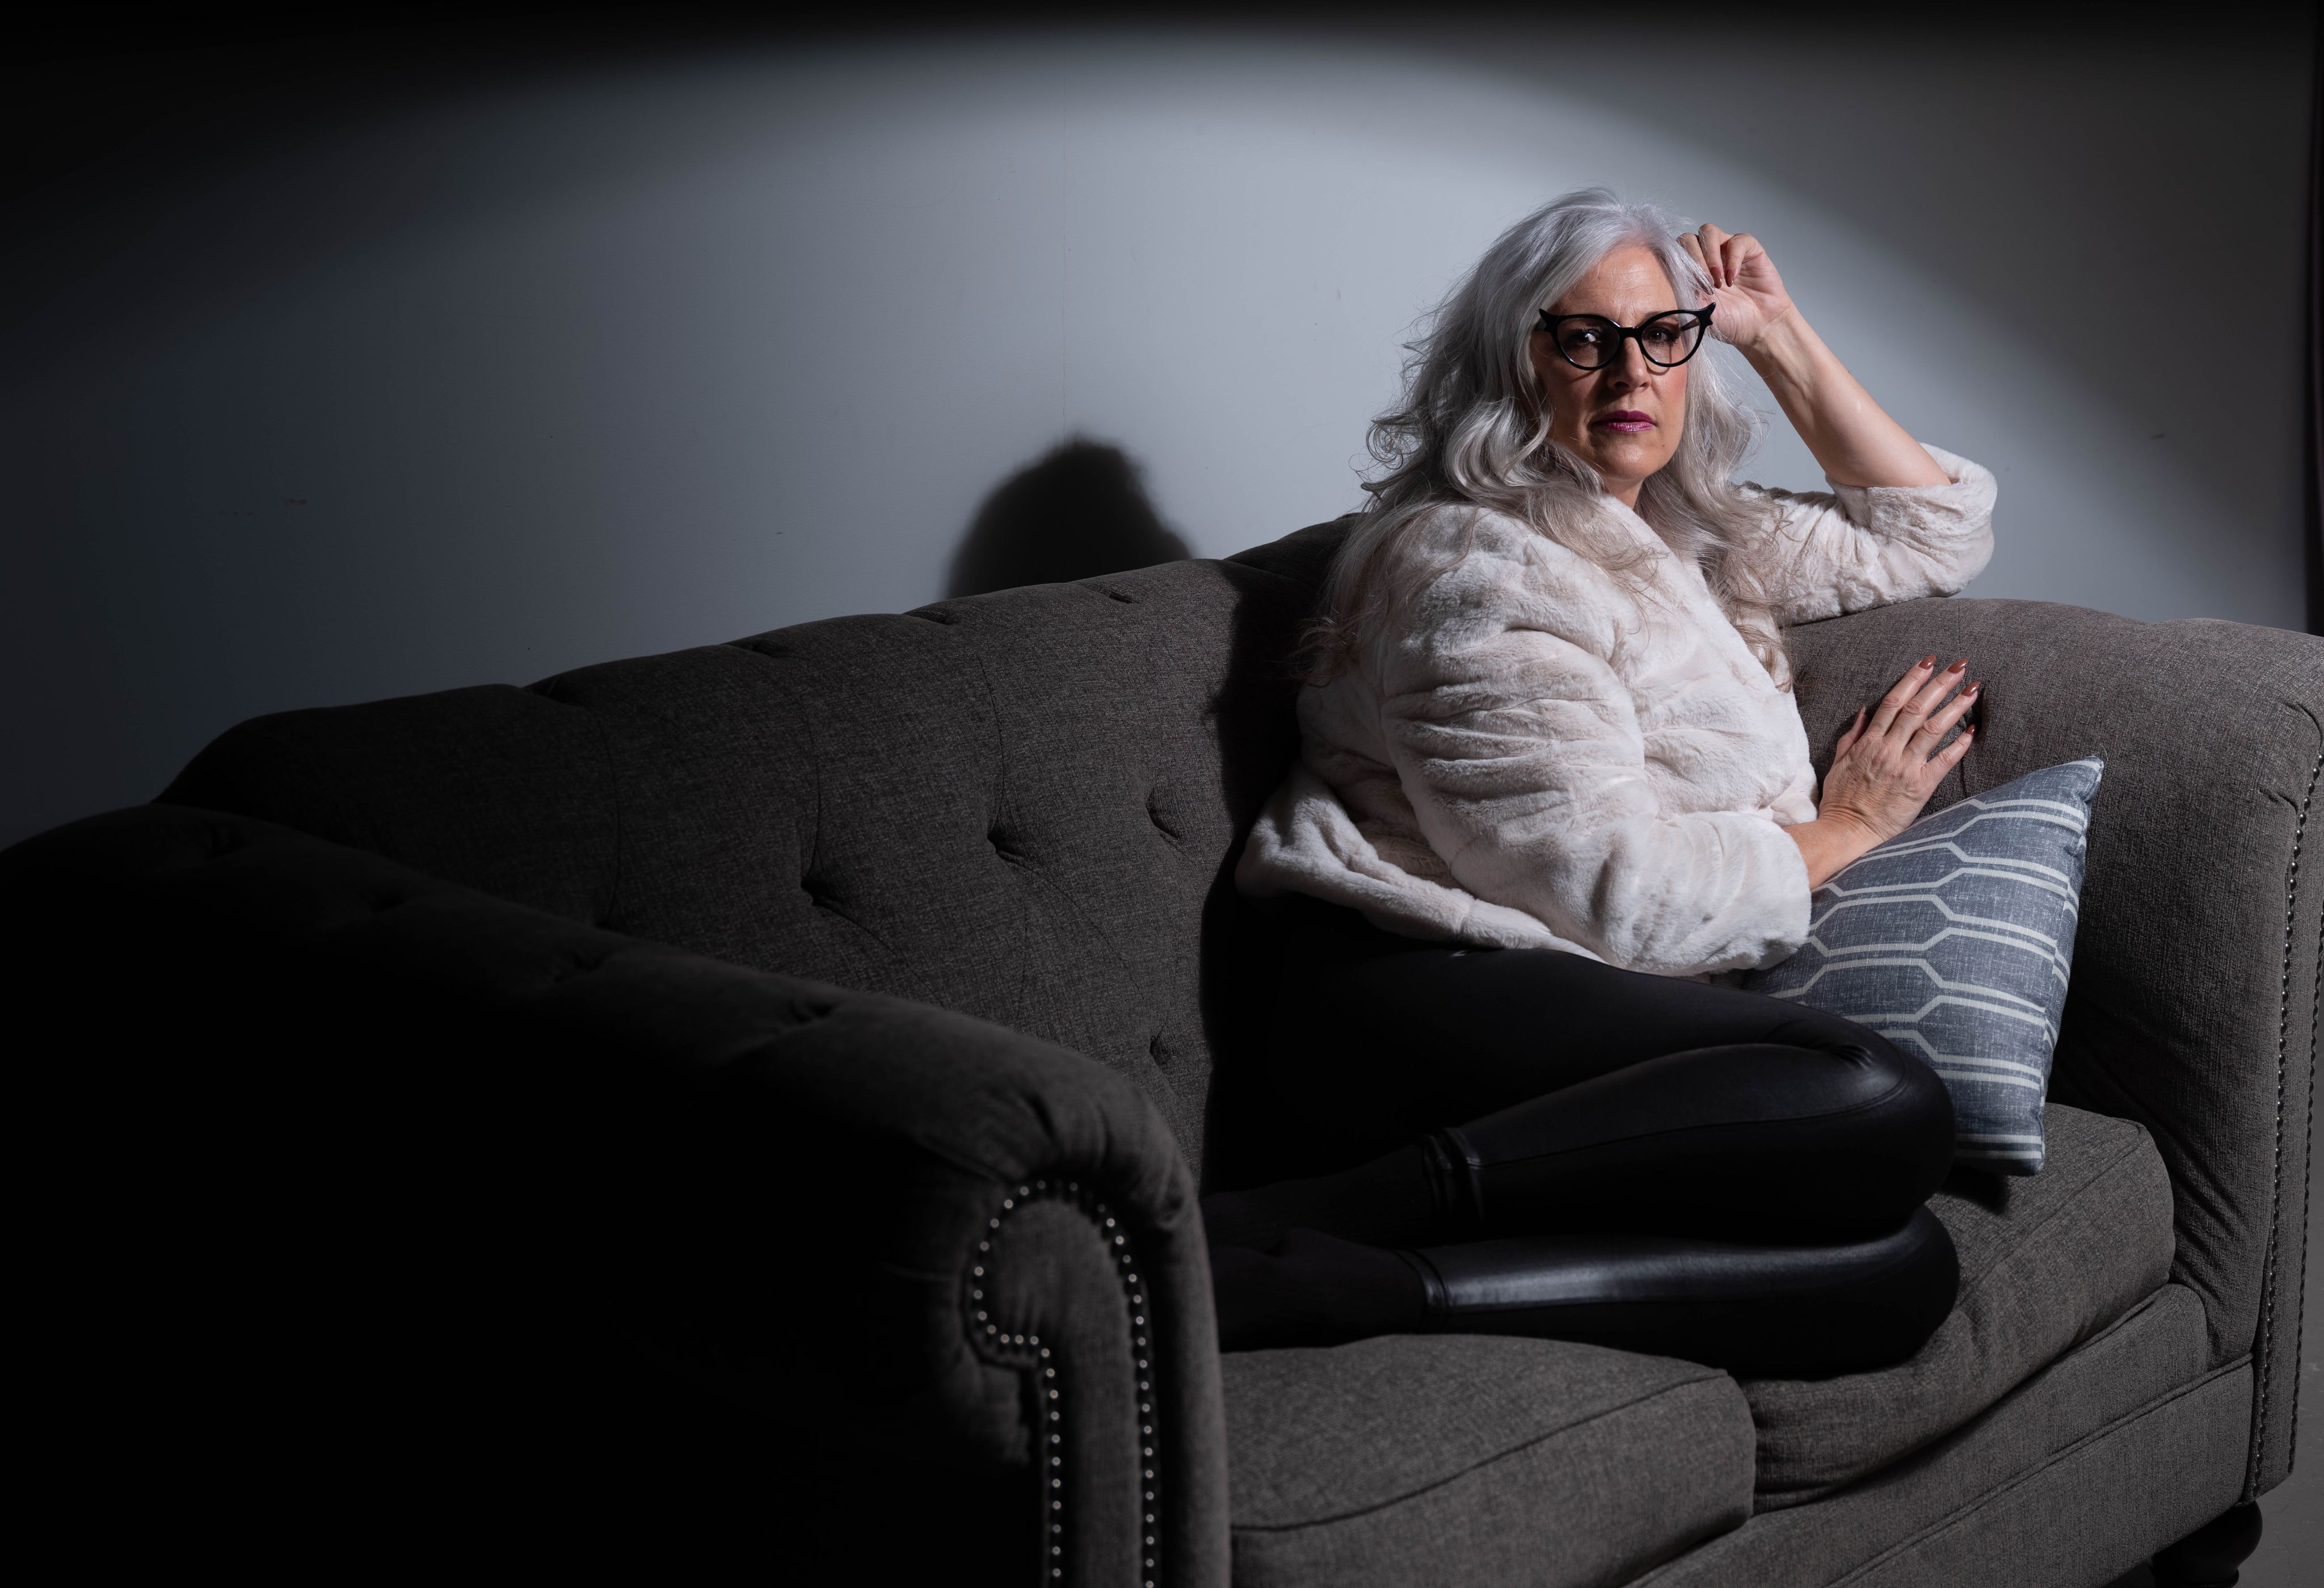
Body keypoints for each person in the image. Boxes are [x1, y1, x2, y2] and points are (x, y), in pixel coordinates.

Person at [1210, 188, 1995, 1378]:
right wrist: (1839, 829)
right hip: (1408, 996)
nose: (1627, 369)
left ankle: (1371, 1285)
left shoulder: (1680, 534)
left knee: (1906, 1270)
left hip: (1559, 994)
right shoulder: (1475, 563)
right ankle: (1303, 1211)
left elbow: (1931, 534)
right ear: (1510, 366)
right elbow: (1611, 891)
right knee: (1874, 1096)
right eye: (1580, 337)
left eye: (1659, 335)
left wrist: (1775, 335)